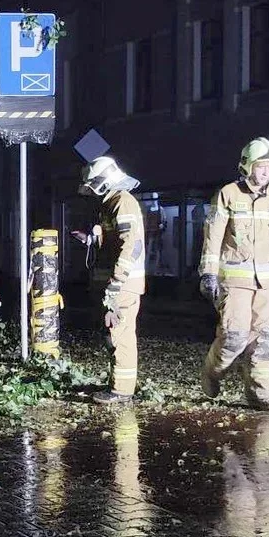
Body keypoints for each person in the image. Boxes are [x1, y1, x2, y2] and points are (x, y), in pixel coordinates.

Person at [198, 137, 269, 410]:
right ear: (248, 166)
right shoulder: (228, 194)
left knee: (266, 339)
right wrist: (208, 274)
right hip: (235, 283)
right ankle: (212, 372)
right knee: (234, 337)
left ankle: (259, 395)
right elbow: (213, 237)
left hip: (266, 284)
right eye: (262, 166)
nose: (267, 171)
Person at [79, 156, 147, 404]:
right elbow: (114, 242)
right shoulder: (111, 203)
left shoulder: (123, 203)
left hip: (122, 284)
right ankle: (119, 384)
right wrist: (92, 238)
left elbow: (131, 246)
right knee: (112, 333)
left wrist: (116, 283)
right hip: (117, 283)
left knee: (120, 334)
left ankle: (121, 391)